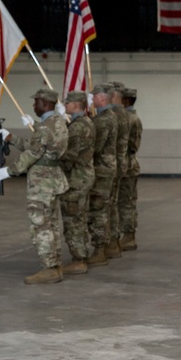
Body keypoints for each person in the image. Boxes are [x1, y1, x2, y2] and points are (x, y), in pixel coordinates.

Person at [0, 88, 69, 284]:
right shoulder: (58, 123)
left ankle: (49, 269)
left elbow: (33, 154)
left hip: (42, 184)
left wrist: (8, 172)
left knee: (41, 225)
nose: (33, 106)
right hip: (54, 180)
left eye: (36, 102)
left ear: (44, 103)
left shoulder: (45, 128)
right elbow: (39, 146)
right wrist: (12, 139)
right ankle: (55, 265)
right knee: (51, 224)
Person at [58, 92, 96, 275]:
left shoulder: (77, 127)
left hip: (76, 178)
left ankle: (78, 260)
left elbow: (70, 155)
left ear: (75, 105)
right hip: (85, 176)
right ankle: (82, 255)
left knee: (73, 221)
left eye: (67, 102)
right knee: (80, 217)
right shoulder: (87, 122)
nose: (65, 104)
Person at [87, 83, 119, 267]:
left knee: (98, 211)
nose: (91, 100)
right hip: (108, 168)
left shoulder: (103, 120)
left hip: (101, 170)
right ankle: (109, 245)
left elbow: (95, 147)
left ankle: (99, 251)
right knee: (107, 208)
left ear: (101, 98)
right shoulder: (108, 116)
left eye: (93, 97)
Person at [106, 82, 131, 259]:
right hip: (118, 162)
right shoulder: (124, 113)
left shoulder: (115, 114)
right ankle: (113, 242)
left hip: (110, 163)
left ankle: (111, 242)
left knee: (109, 205)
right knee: (114, 204)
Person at [119, 88, 142, 251]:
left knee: (126, 202)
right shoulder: (133, 117)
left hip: (126, 164)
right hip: (129, 163)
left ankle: (128, 236)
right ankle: (128, 235)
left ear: (126, 101)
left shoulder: (127, 119)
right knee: (127, 201)